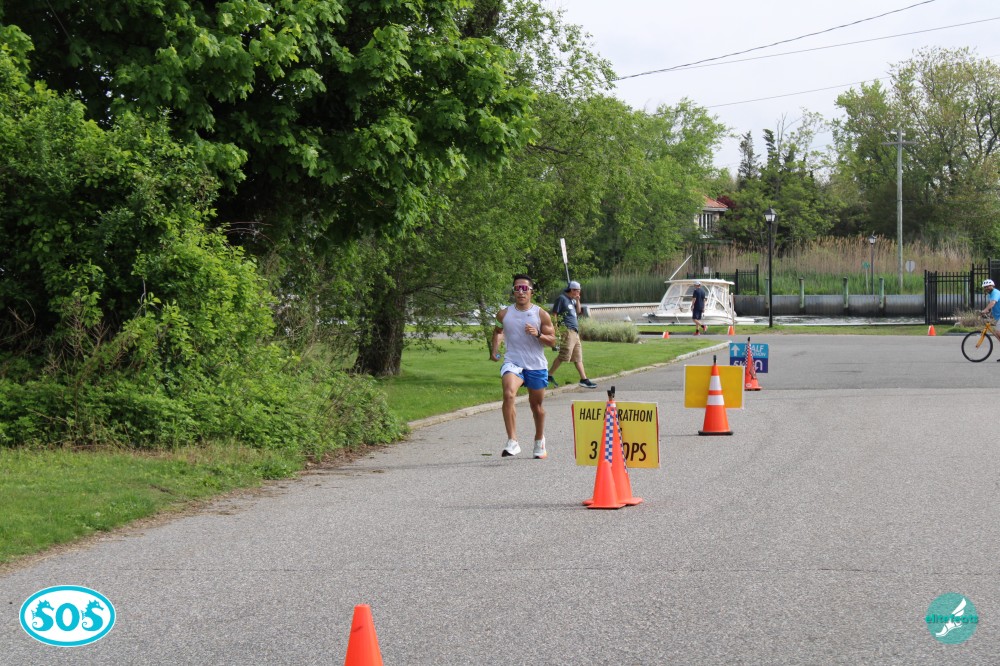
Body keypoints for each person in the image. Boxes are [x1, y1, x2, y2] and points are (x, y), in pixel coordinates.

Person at [490, 274, 556, 459]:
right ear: (513, 292)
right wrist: (495, 350)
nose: (521, 292)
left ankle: (539, 440)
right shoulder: (503, 314)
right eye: (517, 288)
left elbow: (552, 341)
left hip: (535, 365)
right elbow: (497, 331)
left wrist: (538, 334)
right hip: (513, 362)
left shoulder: (541, 314)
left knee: (536, 406)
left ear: (531, 292)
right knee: (508, 394)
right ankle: (512, 441)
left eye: (524, 288)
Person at [547, 281, 597, 389]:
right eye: (577, 291)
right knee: (564, 355)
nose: (578, 293)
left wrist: (578, 300)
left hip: (575, 332)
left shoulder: (572, 300)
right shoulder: (561, 299)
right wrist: (556, 329)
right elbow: (554, 314)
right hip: (567, 331)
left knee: (578, 357)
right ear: (572, 290)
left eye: (579, 291)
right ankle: (548, 375)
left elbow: (578, 311)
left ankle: (584, 379)